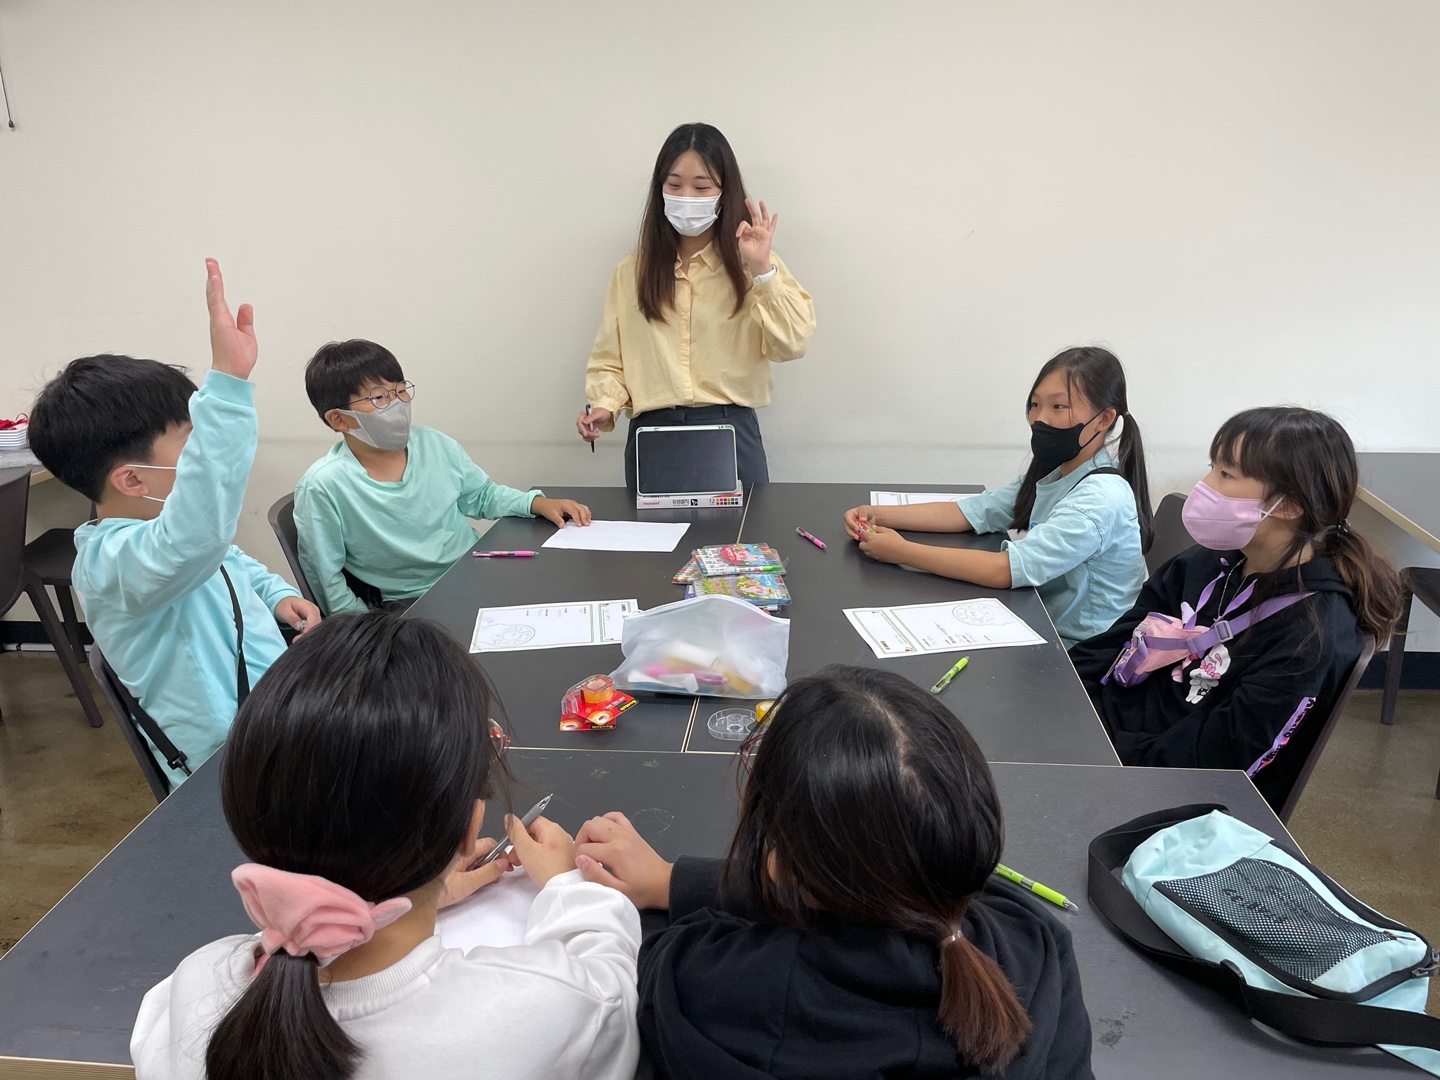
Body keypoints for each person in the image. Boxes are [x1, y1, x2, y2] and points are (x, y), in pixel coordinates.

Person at [130, 611, 642, 1080]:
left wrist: (394, 899)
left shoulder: (195, 985)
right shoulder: (535, 1011)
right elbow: (610, 990)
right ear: (470, 826)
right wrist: (568, 885)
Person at [573, 665, 1094, 1080]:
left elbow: (633, 982)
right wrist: (672, 881)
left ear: (779, 856)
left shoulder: (727, 991)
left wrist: (570, 893)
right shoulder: (1033, 939)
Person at [27, 260, 321, 785]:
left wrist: (274, 593)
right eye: (192, 440)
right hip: (231, 775)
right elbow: (197, 541)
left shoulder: (163, 532)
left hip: (280, 723)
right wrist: (227, 386)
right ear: (132, 480)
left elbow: (225, 556)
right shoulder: (112, 565)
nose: (202, 451)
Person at [1068, 406, 1404, 809]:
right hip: (1101, 736)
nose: (1205, 486)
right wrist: (1060, 696)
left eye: (1226, 474)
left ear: (1289, 504)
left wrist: (1092, 752)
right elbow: (1117, 641)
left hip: (1155, 791)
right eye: (1212, 468)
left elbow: (1213, 766)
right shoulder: (1206, 563)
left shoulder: (1311, 635)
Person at [844, 346, 1152, 648]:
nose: (1040, 419)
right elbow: (974, 511)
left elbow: (1006, 569)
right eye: (1035, 405)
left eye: (1058, 407)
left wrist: (901, 551)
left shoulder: (1099, 498)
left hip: (1084, 653)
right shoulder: (1058, 470)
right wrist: (874, 514)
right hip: (1044, 623)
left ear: (1103, 419)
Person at [577, 122, 816, 488]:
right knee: (651, 528)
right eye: (674, 186)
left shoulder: (753, 265)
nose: (686, 197)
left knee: (744, 527)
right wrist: (603, 406)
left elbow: (793, 344)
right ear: (660, 189)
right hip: (653, 433)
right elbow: (610, 358)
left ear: (724, 192)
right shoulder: (633, 271)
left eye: (701, 187)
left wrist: (761, 269)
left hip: (730, 429)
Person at [294, 339, 590, 615]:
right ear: (339, 419)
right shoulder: (324, 485)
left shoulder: (433, 443)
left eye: (400, 391)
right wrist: (364, 630)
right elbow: (325, 576)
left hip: (474, 569)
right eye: (379, 397)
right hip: (411, 602)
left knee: (563, 596)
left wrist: (536, 504)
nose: (397, 405)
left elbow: (481, 496)